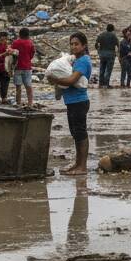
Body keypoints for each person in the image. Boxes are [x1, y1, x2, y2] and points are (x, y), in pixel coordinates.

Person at [47, 32, 91, 175]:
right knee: (75, 133)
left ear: (84, 45)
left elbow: (72, 80)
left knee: (80, 133)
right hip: (72, 102)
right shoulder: (74, 60)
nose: (73, 47)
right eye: (71, 44)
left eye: (76, 44)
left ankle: (82, 167)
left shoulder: (83, 61)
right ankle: (77, 164)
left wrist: (54, 79)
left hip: (79, 101)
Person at [10, 26, 37, 107]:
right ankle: (30, 103)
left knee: (18, 87)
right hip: (27, 67)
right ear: (28, 35)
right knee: (28, 86)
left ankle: (18, 103)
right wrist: (28, 59)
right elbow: (32, 54)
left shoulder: (15, 43)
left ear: (20, 34)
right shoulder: (30, 43)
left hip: (18, 67)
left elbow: (12, 54)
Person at [95, 23, 119, 88]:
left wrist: (98, 51)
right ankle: (106, 84)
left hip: (102, 55)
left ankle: (100, 84)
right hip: (110, 55)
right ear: (112, 29)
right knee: (108, 70)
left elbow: (96, 44)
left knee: (102, 69)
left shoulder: (101, 35)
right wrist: (118, 53)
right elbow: (118, 45)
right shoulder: (113, 36)